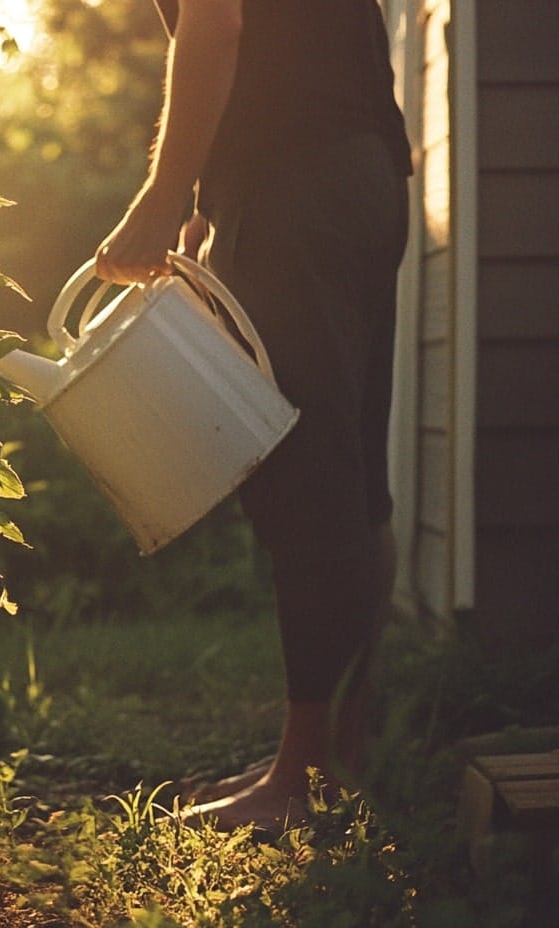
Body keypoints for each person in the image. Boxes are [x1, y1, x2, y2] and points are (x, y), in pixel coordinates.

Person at [95, 0, 412, 831]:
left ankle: (306, 780)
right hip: (360, 172)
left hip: (295, 185)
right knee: (351, 476)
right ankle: (341, 752)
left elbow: (219, 23)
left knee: (305, 478)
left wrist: (165, 194)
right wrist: (211, 200)